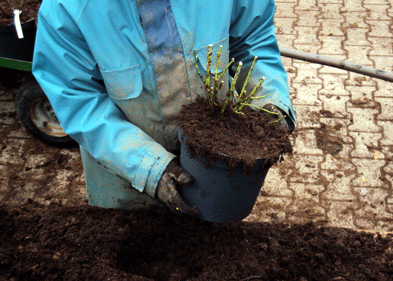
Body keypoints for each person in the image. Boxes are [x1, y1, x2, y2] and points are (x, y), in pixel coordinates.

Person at [32, 0, 296, 217]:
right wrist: (148, 169)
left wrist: (269, 103)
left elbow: (251, 38)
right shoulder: (66, 9)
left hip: (217, 172)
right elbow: (78, 99)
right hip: (124, 177)